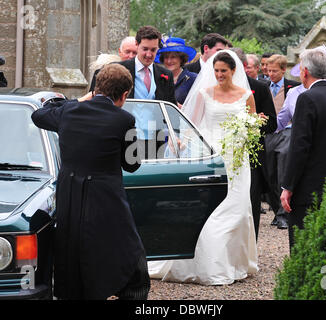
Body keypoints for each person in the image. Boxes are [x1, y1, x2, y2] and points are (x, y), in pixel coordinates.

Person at [31, 64, 150, 300]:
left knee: (73, 252)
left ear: (95, 89)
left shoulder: (70, 111)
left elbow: (39, 114)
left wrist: (81, 99)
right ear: (125, 95)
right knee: (129, 253)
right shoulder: (125, 120)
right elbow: (132, 164)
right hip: (106, 197)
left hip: (71, 195)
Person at [148, 50, 258, 285]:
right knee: (211, 210)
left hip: (237, 158)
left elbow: (254, 125)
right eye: (216, 70)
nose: (219, 75)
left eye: (223, 71)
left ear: (233, 71)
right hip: (211, 156)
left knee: (237, 209)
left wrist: (248, 134)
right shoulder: (204, 94)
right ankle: (208, 265)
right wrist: (180, 140)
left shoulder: (246, 95)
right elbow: (192, 126)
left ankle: (234, 262)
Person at [280, 48, 326, 250]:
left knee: (304, 245)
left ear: (304, 72)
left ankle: (308, 281)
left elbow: (299, 146)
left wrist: (288, 187)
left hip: (309, 187)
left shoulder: (307, 98)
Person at [232, 48, 277, 241]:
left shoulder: (258, 88)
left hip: (250, 155)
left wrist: (253, 123)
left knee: (250, 202)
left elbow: (272, 123)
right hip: (223, 152)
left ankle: (250, 245)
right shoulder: (214, 89)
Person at [264, 54, 300, 229]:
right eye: (268, 70)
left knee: (282, 171)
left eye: (274, 71)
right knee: (269, 173)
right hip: (268, 133)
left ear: (283, 70)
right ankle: (276, 209)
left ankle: (283, 215)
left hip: (287, 132)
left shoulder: (294, 87)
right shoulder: (263, 86)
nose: (270, 74)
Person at [155, 37, 197, 107]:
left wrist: (179, 107)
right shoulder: (158, 77)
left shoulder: (193, 79)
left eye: (173, 57)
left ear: (181, 58)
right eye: (166, 57)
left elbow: (197, 107)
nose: (169, 61)